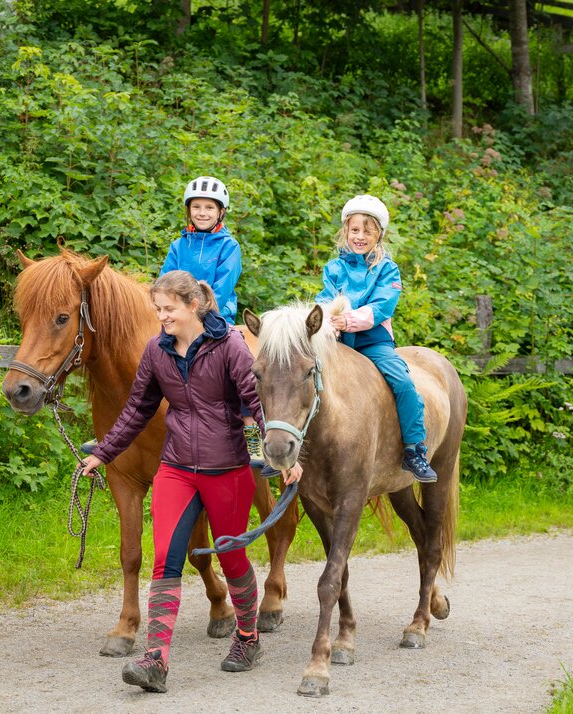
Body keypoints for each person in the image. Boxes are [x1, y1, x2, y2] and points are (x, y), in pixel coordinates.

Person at [80, 270, 302, 694]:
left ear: (193, 306)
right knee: (166, 557)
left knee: (232, 559)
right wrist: (103, 452)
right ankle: (156, 659)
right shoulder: (156, 350)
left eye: (169, 309)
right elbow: (137, 409)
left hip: (227, 469)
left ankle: (247, 638)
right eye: (157, 309)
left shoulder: (230, 345)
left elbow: (257, 402)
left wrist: (284, 457)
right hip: (177, 467)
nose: (162, 316)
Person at [84, 175, 276, 475]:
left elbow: (222, 287)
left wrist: (197, 310)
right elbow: (164, 282)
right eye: (196, 207)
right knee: (141, 358)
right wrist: (165, 308)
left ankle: (251, 435)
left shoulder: (229, 247)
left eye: (209, 208)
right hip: (175, 318)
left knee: (240, 371)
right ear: (188, 210)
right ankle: (115, 429)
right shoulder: (179, 246)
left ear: (221, 212)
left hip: (215, 316)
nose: (202, 213)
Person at [315, 194, 438, 483]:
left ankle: (415, 449)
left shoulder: (387, 269)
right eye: (355, 230)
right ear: (346, 231)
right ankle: (290, 448)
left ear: (379, 235)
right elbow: (325, 300)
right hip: (338, 342)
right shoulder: (333, 268)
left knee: (403, 382)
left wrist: (348, 320)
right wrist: (328, 322)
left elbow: (383, 306)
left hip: (373, 342)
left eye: (367, 231)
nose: (360, 237)